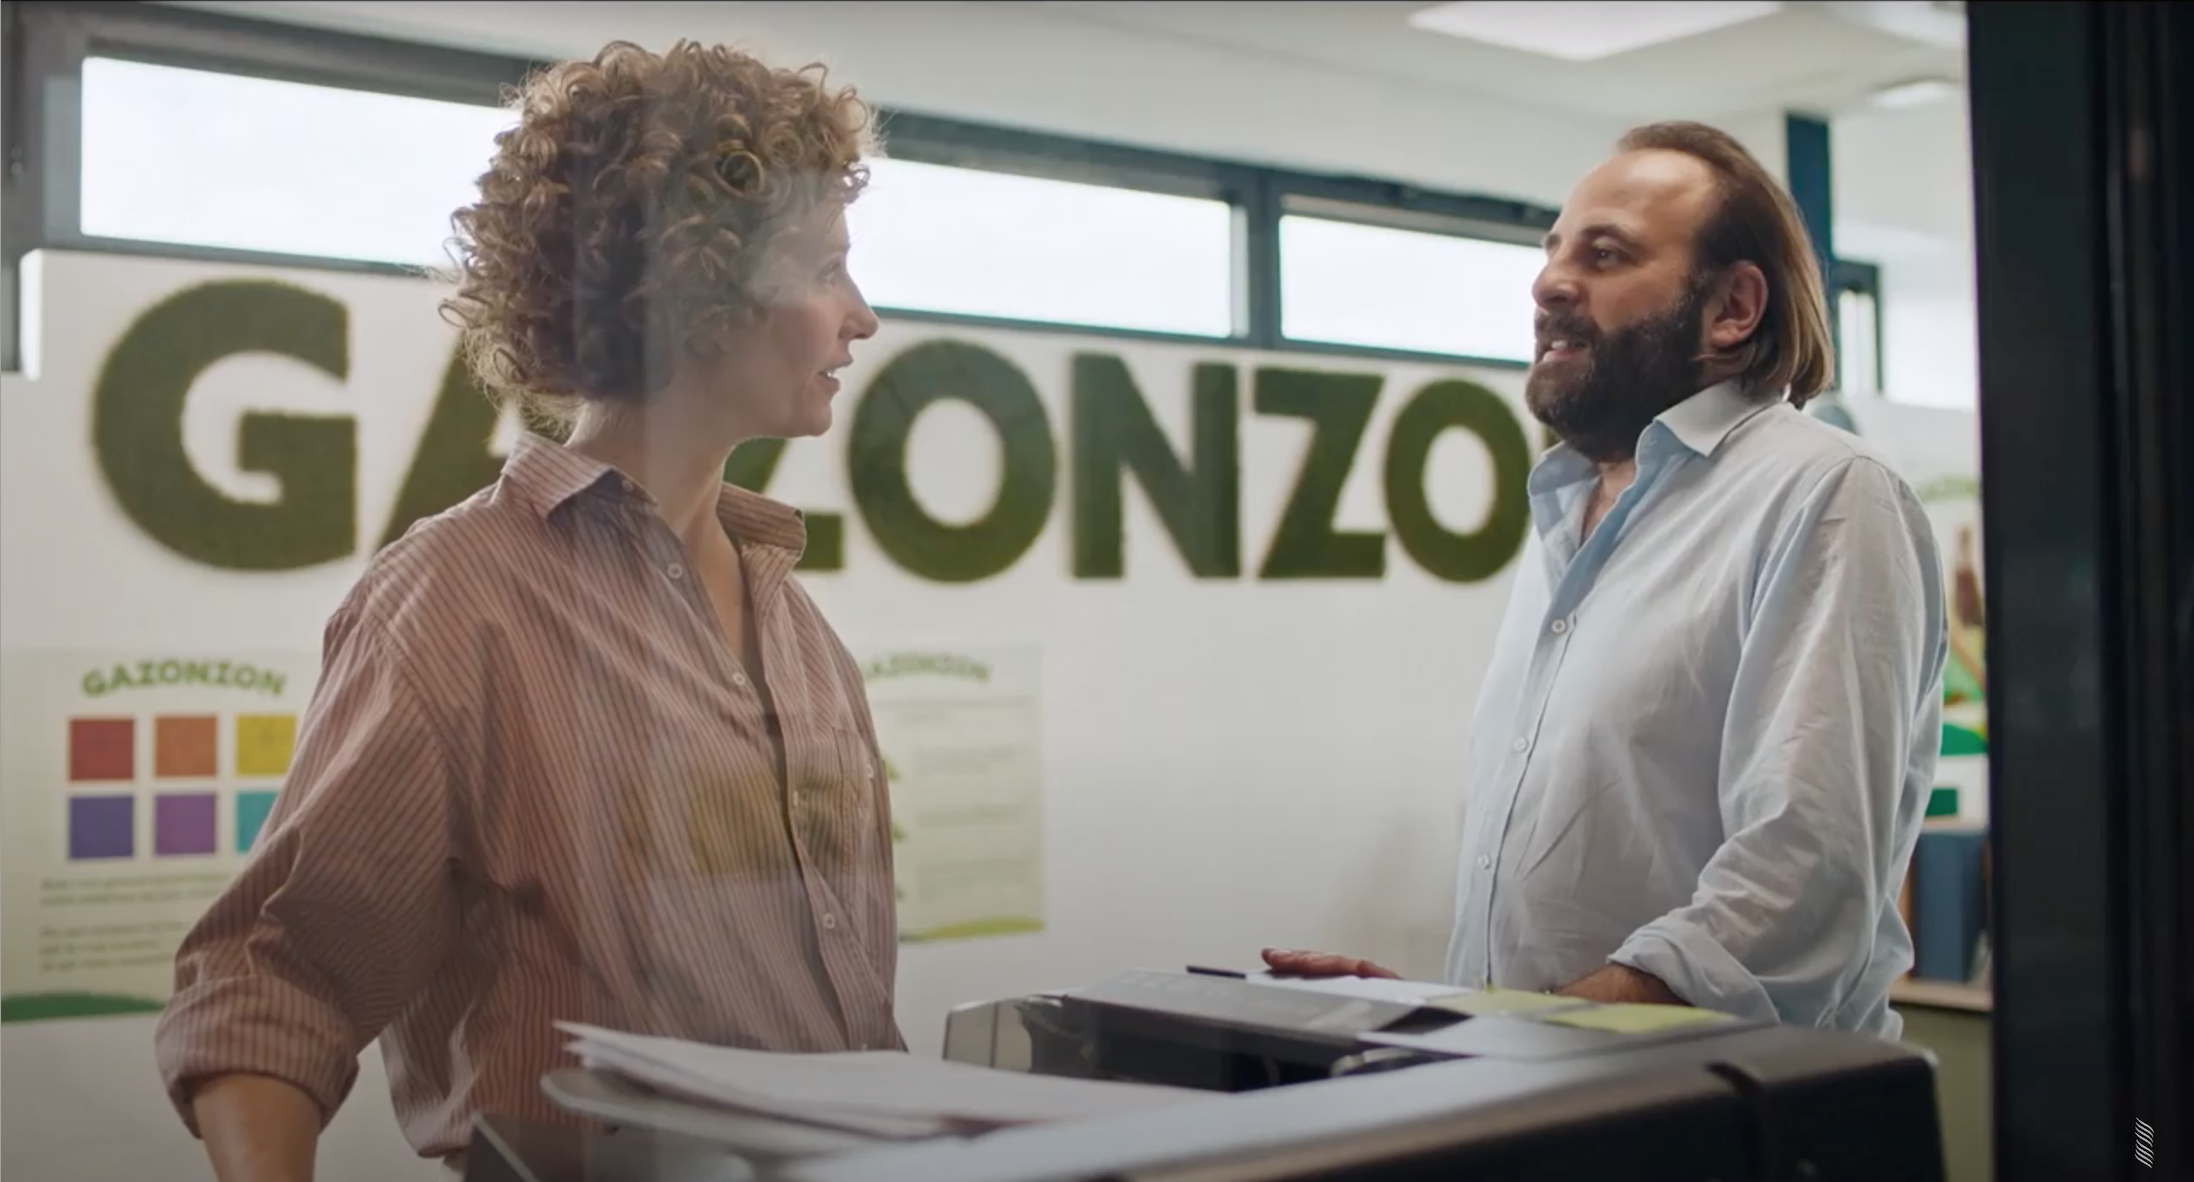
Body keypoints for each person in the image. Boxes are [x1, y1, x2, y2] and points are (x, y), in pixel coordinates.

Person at [153, 40, 893, 1179]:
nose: (862, 317)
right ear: (696, 286)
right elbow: (273, 986)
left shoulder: (796, 625)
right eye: (827, 268)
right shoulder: (458, 603)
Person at [1266, 122, 1945, 1040]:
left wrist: (1500, 1038)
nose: (1548, 284)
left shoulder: (1824, 496)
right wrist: (1443, 1021)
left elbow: (1796, 891)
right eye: (1552, 252)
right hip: (1540, 1089)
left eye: (1606, 254)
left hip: (1724, 1106)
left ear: (1733, 308)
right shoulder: (1570, 511)